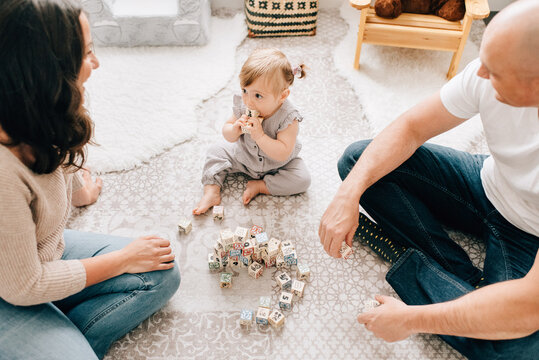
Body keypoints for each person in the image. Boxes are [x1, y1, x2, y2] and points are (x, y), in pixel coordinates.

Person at [319, 0, 539, 358]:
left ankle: (427, 275)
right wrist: (347, 196)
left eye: (495, 71)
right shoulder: (488, 70)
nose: (480, 73)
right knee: (359, 162)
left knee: (515, 348)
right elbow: (411, 127)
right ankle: (467, 291)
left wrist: (411, 319)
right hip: (487, 183)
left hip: (530, 234)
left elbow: (531, 306)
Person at [0, 1, 180, 359]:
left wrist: (78, 193)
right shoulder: (4, 170)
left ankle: (55, 334)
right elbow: (22, 285)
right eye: (88, 53)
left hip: (41, 255)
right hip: (11, 284)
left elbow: (56, 170)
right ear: (49, 70)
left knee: (162, 271)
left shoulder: (42, 109)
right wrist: (123, 259)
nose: (96, 63)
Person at [193, 48, 311, 214]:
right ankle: (212, 191)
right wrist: (235, 129)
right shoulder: (244, 105)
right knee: (215, 151)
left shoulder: (289, 118)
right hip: (244, 156)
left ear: (282, 96)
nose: (249, 101)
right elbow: (227, 133)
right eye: (244, 91)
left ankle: (261, 186)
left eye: (258, 96)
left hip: (278, 165)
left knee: (303, 179)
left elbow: (283, 152)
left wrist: (260, 136)